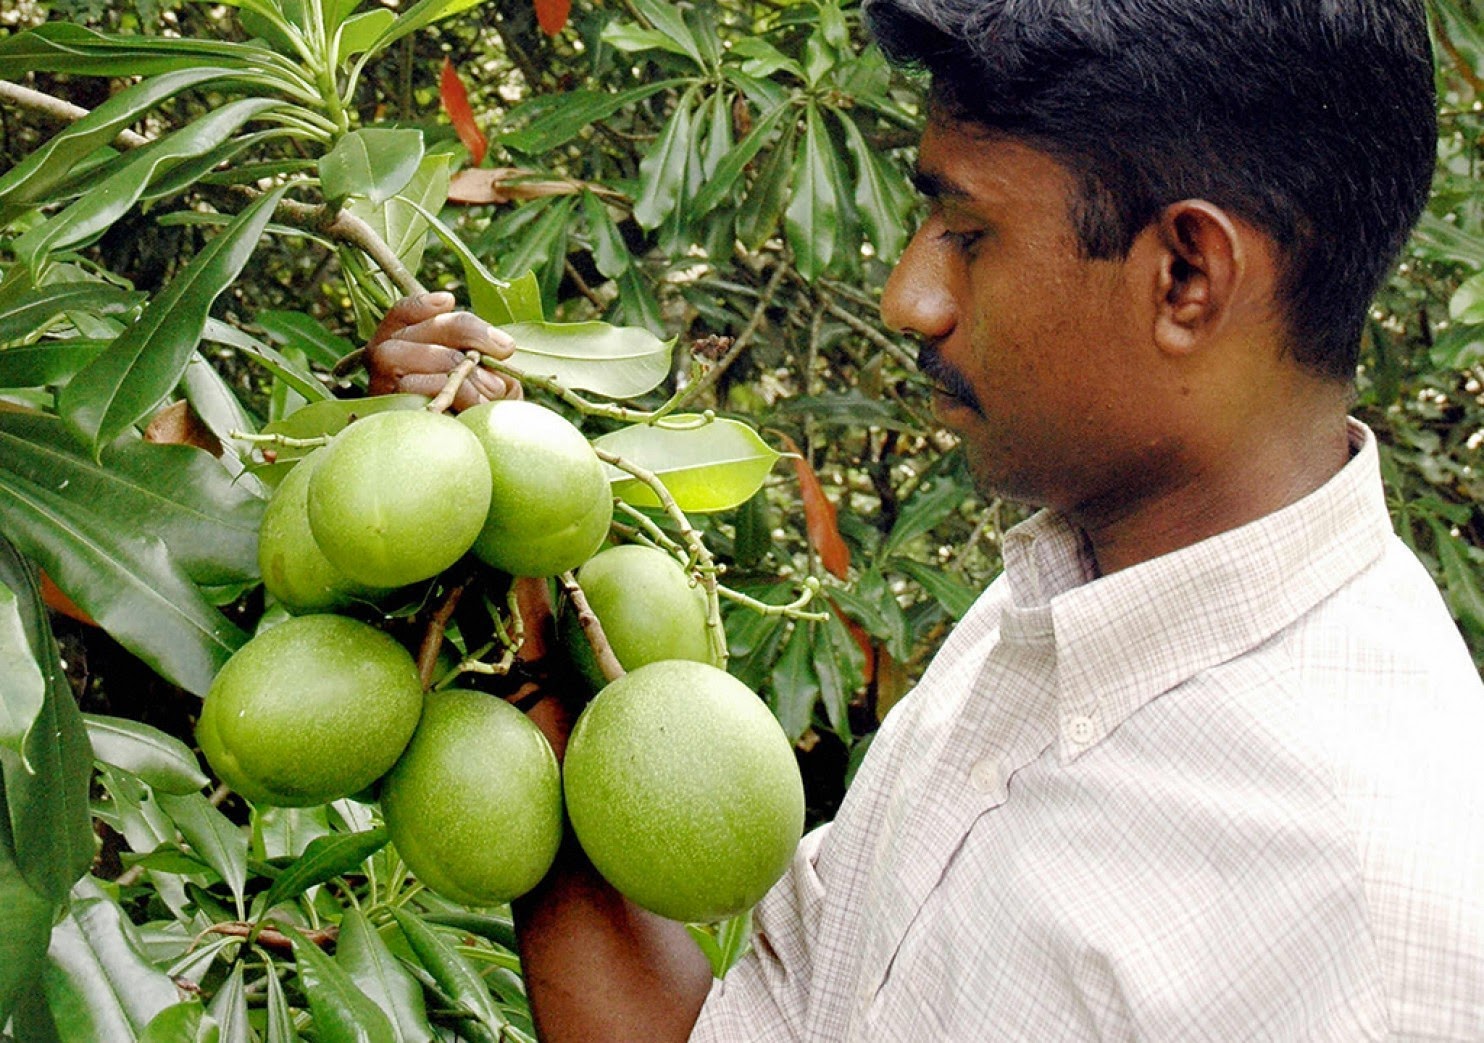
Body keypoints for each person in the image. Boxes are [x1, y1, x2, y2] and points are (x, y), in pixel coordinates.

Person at [368, 0, 1484, 1038]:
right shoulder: (1050, 613)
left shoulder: (1374, 913)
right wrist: (500, 587)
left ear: (1185, 274)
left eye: (968, 232)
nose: (910, 296)